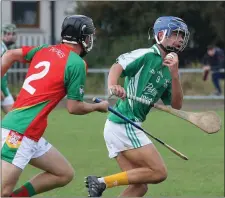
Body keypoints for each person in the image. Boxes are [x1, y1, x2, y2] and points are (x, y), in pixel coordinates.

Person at [1, 15, 109, 197]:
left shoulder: (46, 49)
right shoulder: (77, 64)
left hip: (29, 131)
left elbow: (10, 55)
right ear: (82, 37)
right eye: (89, 36)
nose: (91, 40)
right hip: (21, 132)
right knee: (2, 192)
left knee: (63, 173)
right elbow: (74, 107)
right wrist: (98, 106)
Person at [85, 16, 190, 197]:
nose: (180, 39)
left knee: (139, 187)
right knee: (159, 172)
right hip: (124, 123)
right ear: (161, 34)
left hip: (120, 126)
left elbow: (176, 104)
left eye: (182, 36)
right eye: (175, 34)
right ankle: (101, 182)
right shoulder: (146, 55)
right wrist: (113, 85)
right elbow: (117, 66)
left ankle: (101, 183)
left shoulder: (170, 69)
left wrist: (174, 75)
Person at [1, 24, 17, 114]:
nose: (10, 36)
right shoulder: (1, 47)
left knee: (13, 117)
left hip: (4, 88)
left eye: (13, 34)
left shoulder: (5, 48)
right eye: (7, 34)